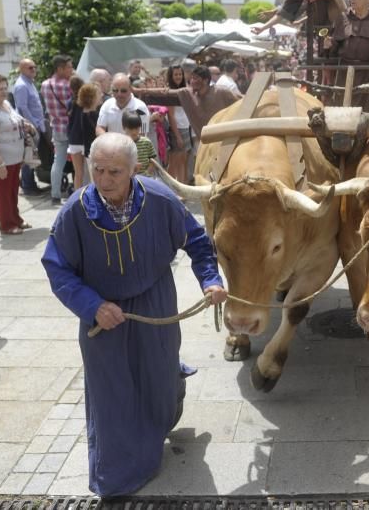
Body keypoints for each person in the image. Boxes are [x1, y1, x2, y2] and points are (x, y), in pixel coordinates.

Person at [42, 132, 227, 498]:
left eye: (114, 172)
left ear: (135, 170)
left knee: (157, 377)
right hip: (102, 312)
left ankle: (169, 392)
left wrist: (210, 280)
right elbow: (57, 268)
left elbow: (198, 243)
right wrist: (92, 305)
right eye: (97, 170)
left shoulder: (159, 201)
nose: (105, 180)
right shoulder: (75, 212)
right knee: (112, 393)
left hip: (154, 301)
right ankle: (117, 476)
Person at [0, 75, 36, 235]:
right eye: (0, 89)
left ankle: (16, 218)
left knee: (12, 190)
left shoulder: (5, 104)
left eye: (5, 88)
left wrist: (26, 125)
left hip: (14, 158)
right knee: (3, 192)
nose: (4, 92)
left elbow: (15, 120)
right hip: (1, 160)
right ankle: (6, 224)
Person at [135, 65, 238, 148]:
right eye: (191, 78)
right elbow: (165, 92)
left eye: (195, 78)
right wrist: (139, 91)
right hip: (204, 143)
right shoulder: (188, 93)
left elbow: (242, 102)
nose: (192, 81)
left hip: (224, 141)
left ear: (205, 80)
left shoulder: (221, 92)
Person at [42, 55, 75, 206]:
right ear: (60, 68)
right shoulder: (69, 85)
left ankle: (55, 195)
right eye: (69, 67)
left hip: (56, 127)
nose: (71, 69)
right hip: (72, 127)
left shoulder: (45, 84)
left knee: (58, 162)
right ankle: (77, 190)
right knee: (78, 161)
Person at [12, 59, 47, 197]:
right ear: (22, 69)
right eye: (30, 68)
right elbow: (22, 108)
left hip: (35, 125)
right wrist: (33, 125)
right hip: (29, 127)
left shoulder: (29, 83)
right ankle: (28, 186)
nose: (34, 70)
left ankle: (30, 183)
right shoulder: (21, 85)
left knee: (32, 155)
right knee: (29, 156)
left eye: (34, 67)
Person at [68, 81, 101, 191]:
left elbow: (70, 123)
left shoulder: (75, 105)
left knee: (78, 173)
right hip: (88, 144)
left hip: (74, 140)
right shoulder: (95, 113)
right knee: (93, 173)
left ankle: (77, 197)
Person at [96, 74, 151, 138]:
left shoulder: (141, 107)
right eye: (115, 90)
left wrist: (124, 145)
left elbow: (142, 133)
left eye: (123, 91)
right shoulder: (107, 105)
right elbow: (100, 127)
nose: (119, 94)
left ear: (130, 89)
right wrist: (109, 141)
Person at [162, 65, 192, 184]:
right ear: (171, 76)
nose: (178, 76)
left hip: (186, 127)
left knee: (183, 160)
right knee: (174, 161)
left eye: (180, 74)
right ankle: (169, 188)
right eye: (176, 74)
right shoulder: (170, 91)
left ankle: (182, 185)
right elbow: (171, 116)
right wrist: (178, 136)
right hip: (177, 129)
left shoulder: (184, 89)